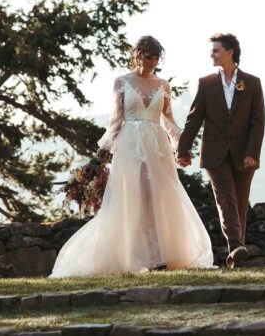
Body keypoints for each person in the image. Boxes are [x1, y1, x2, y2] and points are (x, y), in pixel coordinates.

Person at [49, 36, 215, 277]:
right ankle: (134, 255)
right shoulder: (122, 82)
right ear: (138, 55)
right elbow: (116, 120)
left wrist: (181, 147)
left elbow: (168, 120)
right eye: (149, 57)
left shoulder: (163, 85)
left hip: (157, 146)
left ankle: (160, 254)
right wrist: (102, 155)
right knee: (131, 198)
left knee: (157, 197)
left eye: (157, 58)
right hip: (130, 145)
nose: (153, 62)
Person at [176, 33, 265, 268]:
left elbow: (258, 121)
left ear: (230, 52)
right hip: (214, 153)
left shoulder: (252, 83)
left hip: (245, 154)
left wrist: (252, 153)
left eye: (216, 50)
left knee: (240, 201)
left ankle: (237, 255)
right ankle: (236, 246)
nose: (211, 54)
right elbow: (194, 118)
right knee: (226, 198)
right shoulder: (206, 84)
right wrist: (183, 149)